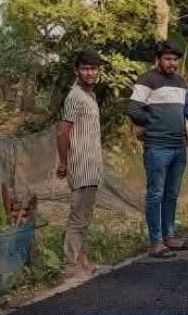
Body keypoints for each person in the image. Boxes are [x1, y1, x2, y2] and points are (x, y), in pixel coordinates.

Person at [128, 41, 188, 259]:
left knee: (171, 194)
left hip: (179, 146)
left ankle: (170, 237)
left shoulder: (181, 83)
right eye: (167, 59)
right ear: (158, 59)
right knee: (155, 194)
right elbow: (133, 109)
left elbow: (187, 110)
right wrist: (154, 122)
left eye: (175, 59)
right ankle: (156, 242)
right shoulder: (147, 80)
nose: (172, 63)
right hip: (157, 147)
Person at [56, 50, 105, 278]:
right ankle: (70, 265)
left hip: (91, 166)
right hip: (80, 165)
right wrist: (63, 162)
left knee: (84, 216)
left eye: (93, 68)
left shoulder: (90, 96)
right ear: (76, 71)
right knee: (78, 217)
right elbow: (62, 133)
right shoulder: (75, 96)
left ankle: (82, 261)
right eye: (85, 69)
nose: (90, 73)